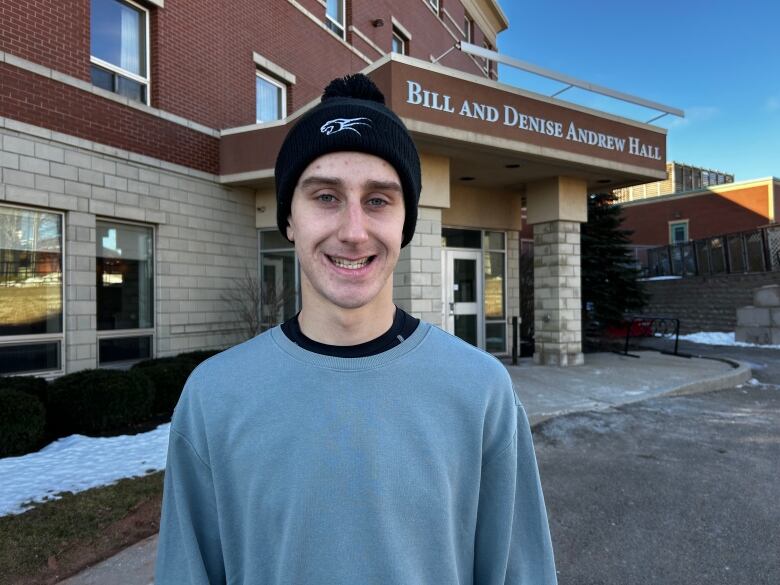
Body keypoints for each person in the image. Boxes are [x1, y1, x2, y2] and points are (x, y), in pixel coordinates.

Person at [155, 74, 557, 584]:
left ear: (405, 223)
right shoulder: (214, 397)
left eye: (378, 200)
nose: (352, 231)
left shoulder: (481, 392)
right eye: (325, 196)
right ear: (289, 219)